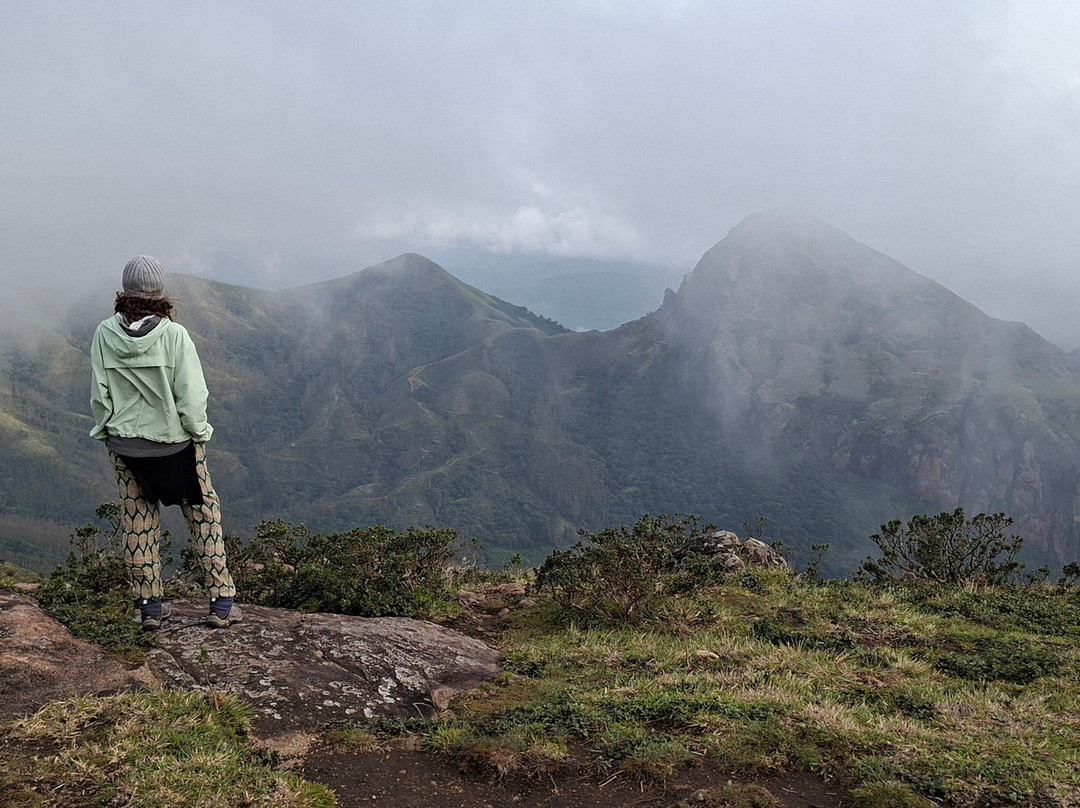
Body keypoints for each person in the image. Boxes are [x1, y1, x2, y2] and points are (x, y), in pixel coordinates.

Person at [90, 255, 241, 630]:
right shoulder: (174, 336)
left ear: (125, 292)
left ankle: (150, 609)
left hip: (126, 447)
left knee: (138, 521)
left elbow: (100, 395)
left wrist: (106, 430)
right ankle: (221, 602)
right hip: (176, 445)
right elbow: (191, 395)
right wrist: (200, 433)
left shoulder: (104, 334)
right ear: (160, 293)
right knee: (202, 515)